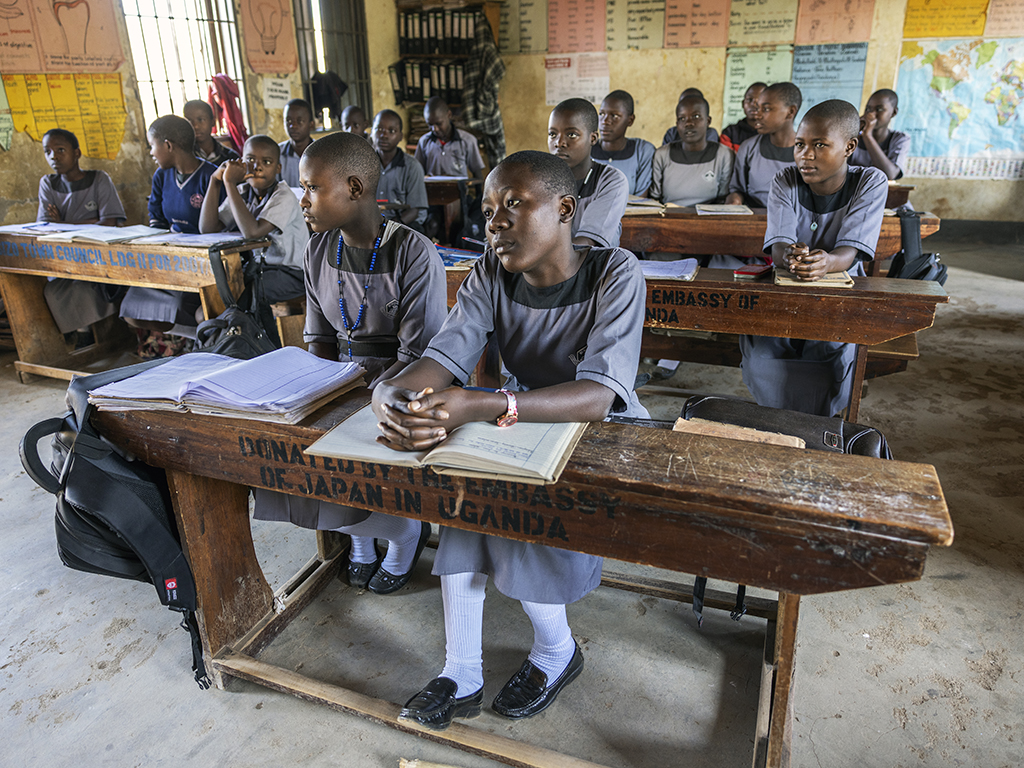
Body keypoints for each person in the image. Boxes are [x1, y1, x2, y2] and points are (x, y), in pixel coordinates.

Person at [374, 150, 647, 730]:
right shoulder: (490, 272)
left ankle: (556, 652)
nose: (494, 222)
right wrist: (391, 397)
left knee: (519, 512)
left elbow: (599, 395)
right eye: (489, 208)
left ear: (566, 208)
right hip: (515, 423)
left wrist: (489, 403)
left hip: (593, 431)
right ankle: (460, 671)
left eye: (514, 205)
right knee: (463, 502)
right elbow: (443, 357)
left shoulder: (615, 272)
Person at [251, 131, 447, 594]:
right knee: (299, 443)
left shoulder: (413, 252)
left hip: (403, 384)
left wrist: (369, 395)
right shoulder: (319, 248)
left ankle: (402, 534)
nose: (303, 200)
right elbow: (318, 339)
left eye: (312, 188)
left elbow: (419, 352)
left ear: (354, 189)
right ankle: (360, 538)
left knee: (377, 439)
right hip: (341, 375)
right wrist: (316, 395)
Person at [740, 100, 887, 417]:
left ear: (849, 146)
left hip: (840, 299)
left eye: (820, 145)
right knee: (760, 356)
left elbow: (849, 253)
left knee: (828, 355)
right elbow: (779, 244)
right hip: (787, 292)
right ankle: (781, 420)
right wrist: (790, 256)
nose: (805, 155)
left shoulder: (870, 182)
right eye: (800, 145)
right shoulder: (786, 180)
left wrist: (827, 262)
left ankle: (814, 426)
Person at [119, 115, 224, 342]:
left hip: (203, 263)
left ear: (168, 145)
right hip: (170, 258)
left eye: (152, 146)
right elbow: (156, 218)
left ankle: (204, 339)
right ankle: (196, 337)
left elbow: (223, 226)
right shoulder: (161, 176)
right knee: (133, 307)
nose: (151, 153)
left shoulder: (211, 176)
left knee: (182, 303)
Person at [37, 128, 127, 341]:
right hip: (65, 258)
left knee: (83, 288)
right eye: (47, 151)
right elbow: (46, 225)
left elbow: (109, 222)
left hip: (99, 257)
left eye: (60, 150)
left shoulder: (99, 179)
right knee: (53, 290)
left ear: (77, 153)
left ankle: (87, 335)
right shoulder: (48, 183)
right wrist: (87, 223)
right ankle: (79, 332)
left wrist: (64, 223)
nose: (54, 157)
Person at [199, 134, 308, 303]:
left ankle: (239, 328)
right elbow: (207, 228)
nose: (257, 167)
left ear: (278, 168)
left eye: (267, 162)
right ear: (241, 163)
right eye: (250, 160)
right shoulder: (243, 192)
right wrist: (215, 181)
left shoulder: (283, 195)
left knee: (241, 293)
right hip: (259, 270)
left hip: (292, 274)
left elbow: (253, 233)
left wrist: (229, 184)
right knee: (217, 288)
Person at [548, 97, 629, 248]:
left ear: (592, 138)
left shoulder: (611, 180)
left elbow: (586, 243)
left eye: (571, 135)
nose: (559, 143)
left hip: (597, 268)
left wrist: (538, 252)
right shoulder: (540, 180)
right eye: (552, 134)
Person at [415, 96, 487, 243]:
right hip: (432, 200)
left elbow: (478, 174)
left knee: (459, 229)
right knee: (431, 225)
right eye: (430, 125)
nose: (435, 129)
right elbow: (417, 173)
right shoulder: (424, 142)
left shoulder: (467, 141)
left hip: (459, 199)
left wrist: (481, 202)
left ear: (449, 115)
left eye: (439, 123)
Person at [725, 82, 802, 209]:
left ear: (790, 112)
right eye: (757, 108)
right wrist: (735, 198)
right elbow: (738, 189)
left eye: (766, 109)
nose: (757, 115)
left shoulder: (808, 153)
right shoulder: (749, 148)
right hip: (755, 221)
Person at [650, 94, 735, 207]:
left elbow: (722, 199)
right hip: (669, 218)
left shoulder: (724, 155)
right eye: (682, 118)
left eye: (696, 116)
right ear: (677, 124)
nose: (688, 123)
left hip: (709, 219)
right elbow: (655, 199)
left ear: (708, 121)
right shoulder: (662, 155)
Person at [372, 109, 428, 232]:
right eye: (379, 129)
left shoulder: (412, 166)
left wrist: (389, 228)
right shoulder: (363, 164)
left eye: (391, 131)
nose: (384, 135)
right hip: (370, 225)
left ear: (400, 136)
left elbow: (414, 210)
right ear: (371, 132)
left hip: (404, 224)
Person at [592, 90, 655, 196]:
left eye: (614, 116)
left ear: (630, 120)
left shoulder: (643, 151)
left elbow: (640, 202)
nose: (605, 121)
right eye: (601, 114)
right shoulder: (586, 150)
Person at [851, 89, 909, 180]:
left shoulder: (900, 139)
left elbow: (890, 174)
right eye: (868, 109)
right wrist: (852, 131)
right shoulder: (854, 136)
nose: (871, 114)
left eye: (879, 109)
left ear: (894, 112)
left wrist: (868, 136)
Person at [183, 99, 239, 165]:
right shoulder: (184, 158)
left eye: (201, 120)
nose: (195, 126)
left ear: (212, 122)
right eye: (189, 121)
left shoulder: (230, 157)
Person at [719, 82, 766, 152]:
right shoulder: (730, 133)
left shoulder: (773, 134)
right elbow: (726, 160)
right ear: (743, 104)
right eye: (749, 100)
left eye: (759, 100)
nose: (753, 104)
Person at [279, 98, 315, 188]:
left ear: (311, 125)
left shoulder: (323, 153)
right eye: (289, 121)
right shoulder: (276, 153)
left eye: (300, 121)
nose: (293, 126)